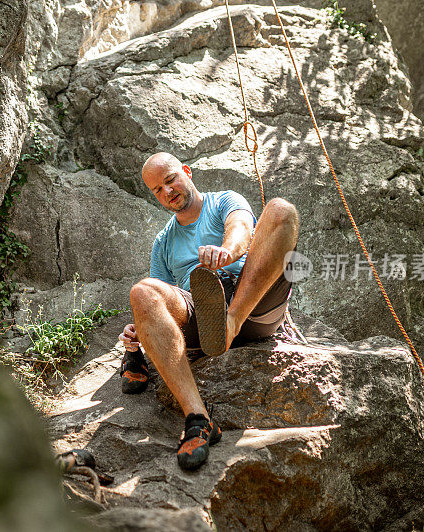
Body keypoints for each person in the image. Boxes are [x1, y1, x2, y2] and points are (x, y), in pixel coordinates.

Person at [118, 152, 299, 470]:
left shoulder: (223, 201)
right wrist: (142, 330)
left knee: (282, 211)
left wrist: (227, 252)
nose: (167, 191)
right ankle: (199, 419)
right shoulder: (164, 243)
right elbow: (162, 303)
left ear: (186, 172)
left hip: (253, 301)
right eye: (157, 190)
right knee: (143, 292)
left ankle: (231, 320)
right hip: (200, 318)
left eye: (170, 179)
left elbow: (242, 224)